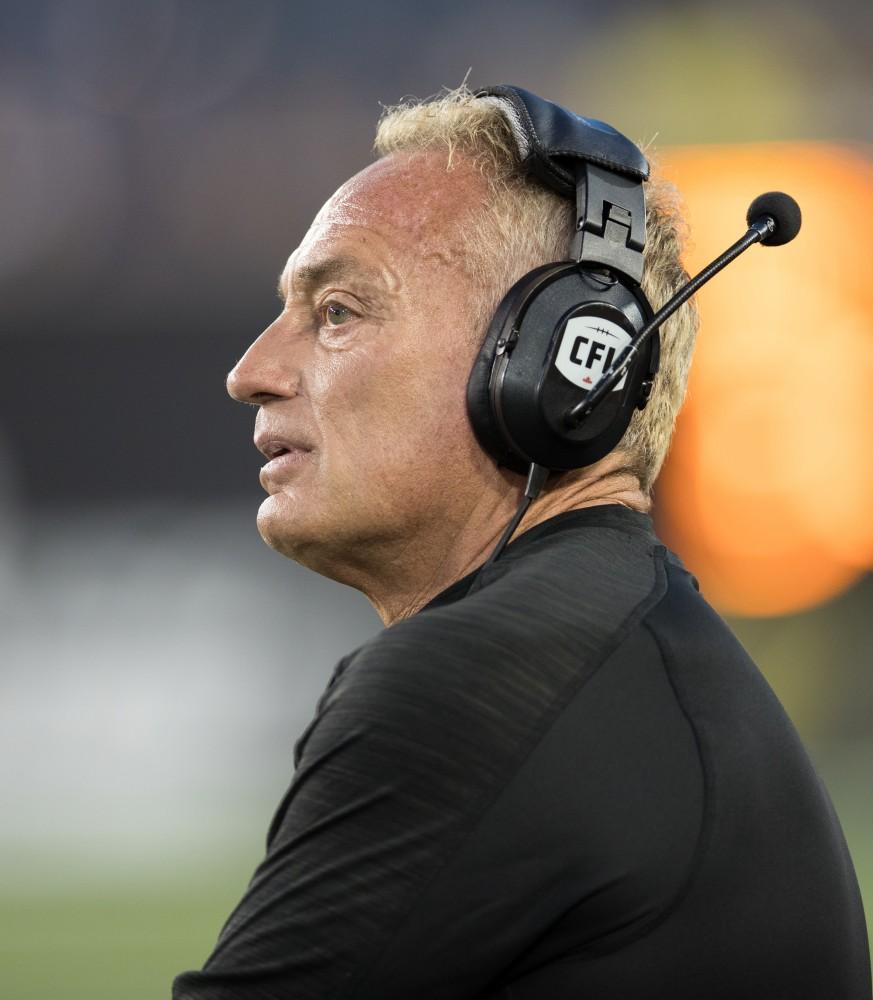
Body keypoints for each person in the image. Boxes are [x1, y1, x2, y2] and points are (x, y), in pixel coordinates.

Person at [173, 85, 871, 999]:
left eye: (338, 311)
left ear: (557, 361)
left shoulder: (474, 681)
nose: (250, 373)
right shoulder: (628, 642)